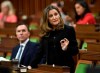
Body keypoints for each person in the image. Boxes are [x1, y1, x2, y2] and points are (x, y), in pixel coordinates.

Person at [30, 5, 79, 73]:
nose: (54, 17)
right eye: (51, 16)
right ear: (47, 19)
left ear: (59, 15)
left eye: (56, 14)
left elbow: (75, 51)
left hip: (66, 69)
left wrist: (66, 48)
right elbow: (39, 53)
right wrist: (30, 66)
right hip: (51, 69)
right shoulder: (45, 33)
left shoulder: (69, 30)